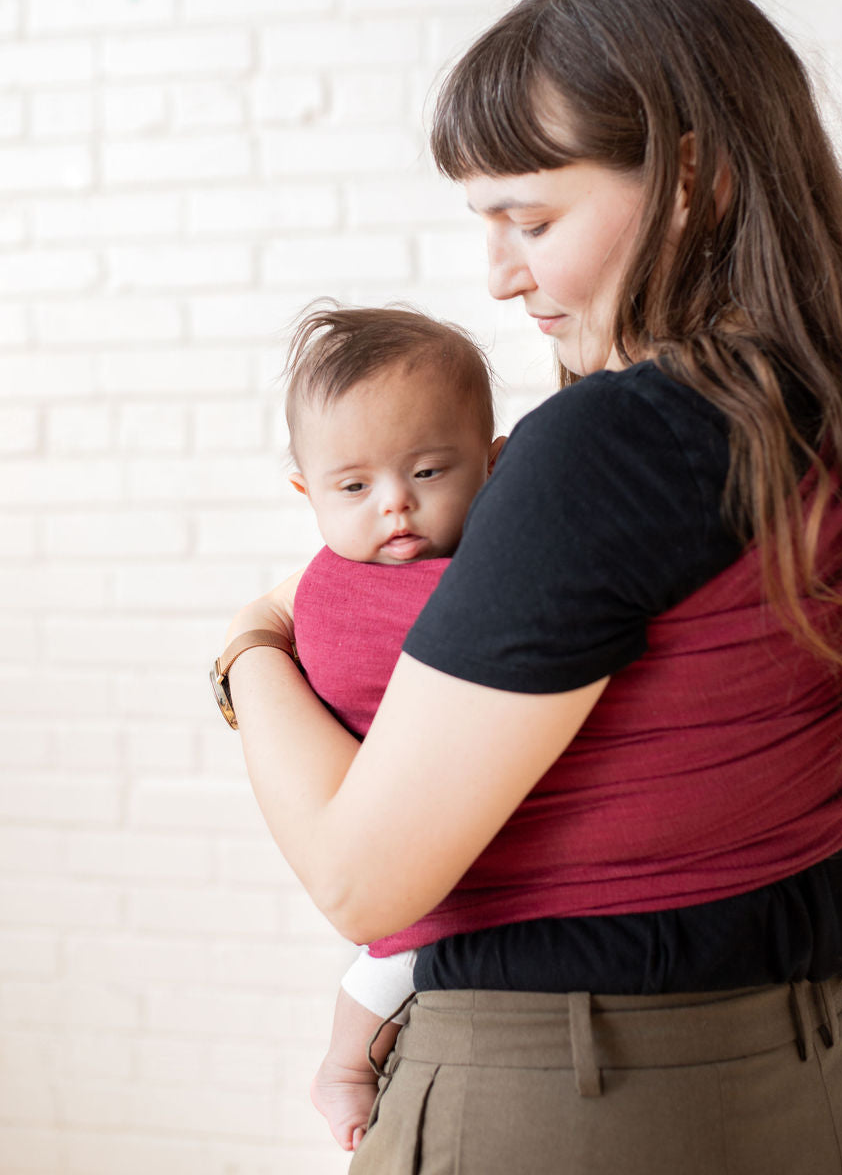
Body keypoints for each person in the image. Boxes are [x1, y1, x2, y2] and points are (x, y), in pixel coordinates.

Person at [215, 0, 842, 1173]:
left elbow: (362, 879)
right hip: (820, 1086)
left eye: (530, 219)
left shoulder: (612, 443)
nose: (499, 272)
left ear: (692, 172)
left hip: (571, 1102)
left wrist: (248, 650)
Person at [281, 304, 502, 1151]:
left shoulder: (465, 572)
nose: (395, 507)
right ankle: (343, 1065)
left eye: (429, 472)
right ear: (308, 494)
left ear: (490, 464)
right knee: (398, 959)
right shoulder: (341, 591)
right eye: (354, 487)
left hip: (445, 835)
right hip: (414, 851)